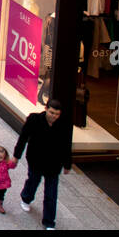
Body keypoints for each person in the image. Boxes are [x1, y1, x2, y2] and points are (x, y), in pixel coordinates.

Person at [13, 98, 73, 229]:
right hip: (36, 160)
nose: (54, 116)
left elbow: (66, 145)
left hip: (53, 164)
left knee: (51, 194)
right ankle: (26, 198)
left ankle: (49, 222)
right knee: (33, 181)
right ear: (46, 109)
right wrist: (16, 156)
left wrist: (67, 164)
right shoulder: (34, 119)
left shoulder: (64, 125)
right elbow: (23, 137)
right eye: (52, 113)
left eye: (57, 114)